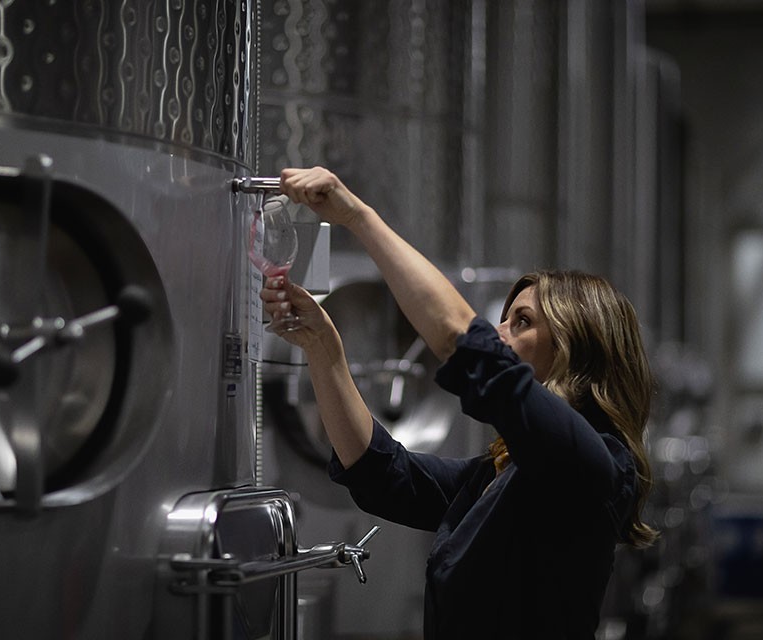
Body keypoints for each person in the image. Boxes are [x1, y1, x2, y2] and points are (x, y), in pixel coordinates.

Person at [261, 166, 658, 639]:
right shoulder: (501, 478)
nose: (499, 333)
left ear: (574, 349)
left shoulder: (589, 465)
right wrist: (323, 345)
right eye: (504, 319)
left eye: (523, 321)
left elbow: (464, 343)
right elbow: (384, 474)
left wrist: (359, 218)